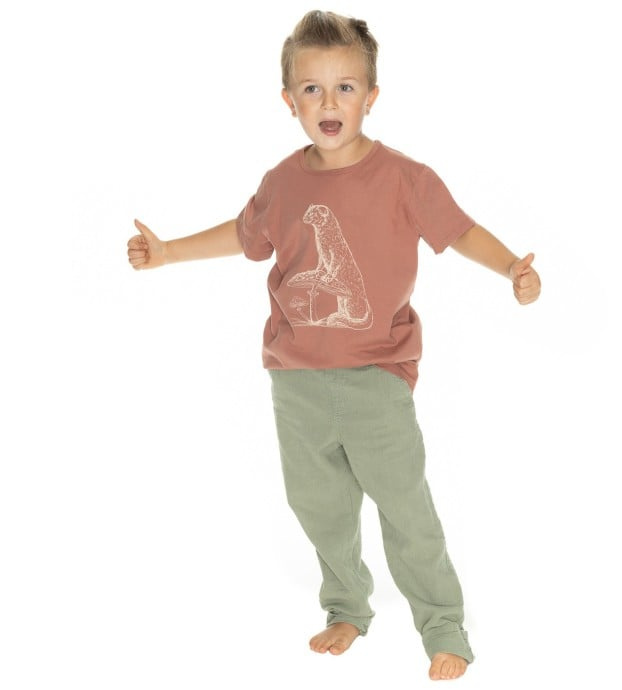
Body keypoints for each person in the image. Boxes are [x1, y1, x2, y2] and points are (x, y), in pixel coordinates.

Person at [127, 10, 541, 681]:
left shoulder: (405, 178)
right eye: (312, 89)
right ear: (289, 100)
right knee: (318, 506)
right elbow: (244, 234)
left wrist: (511, 268)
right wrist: (169, 251)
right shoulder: (283, 182)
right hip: (295, 381)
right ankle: (346, 606)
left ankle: (443, 625)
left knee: (405, 508)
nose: (329, 103)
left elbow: (459, 229)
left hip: (376, 375)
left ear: (371, 96)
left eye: (345, 88)